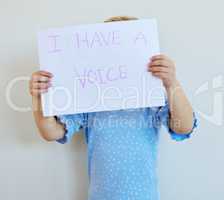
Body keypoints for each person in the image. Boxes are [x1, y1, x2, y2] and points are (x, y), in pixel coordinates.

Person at [30, 16, 198, 200]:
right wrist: (39, 97)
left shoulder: (151, 99)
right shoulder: (88, 101)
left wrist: (171, 82)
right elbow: (51, 133)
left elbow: (184, 127)